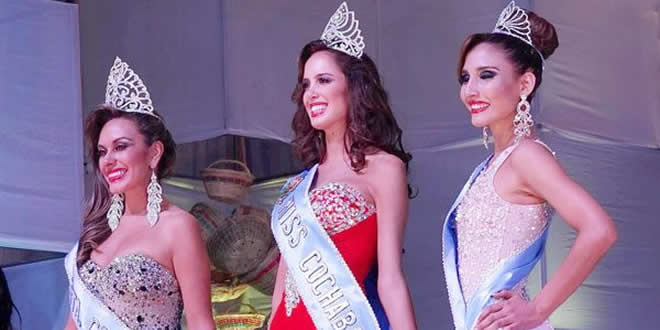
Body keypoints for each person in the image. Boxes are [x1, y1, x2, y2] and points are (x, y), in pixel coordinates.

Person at [442, 2, 617, 329]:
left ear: (525, 84)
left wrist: (536, 310)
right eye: (465, 78)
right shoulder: (494, 164)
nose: (470, 90)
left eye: (487, 76)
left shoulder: (527, 156)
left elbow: (599, 230)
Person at [268, 2, 417, 329]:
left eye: (323, 80)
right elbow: (284, 283)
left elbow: (390, 279)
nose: (310, 94)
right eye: (306, 84)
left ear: (353, 87)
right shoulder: (299, 185)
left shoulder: (385, 168)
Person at [64, 57, 214, 329]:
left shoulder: (178, 227)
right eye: (102, 152)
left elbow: (200, 321)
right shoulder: (97, 227)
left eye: (120, 146)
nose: (108, 160)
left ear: (154, 153)